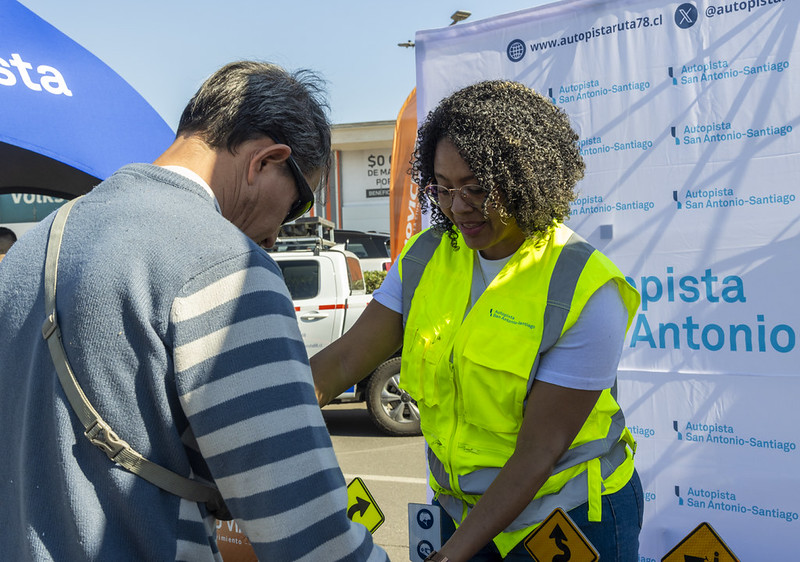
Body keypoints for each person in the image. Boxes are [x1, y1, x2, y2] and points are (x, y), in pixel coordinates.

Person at [0, 61, 387, 561]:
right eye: (296, 204)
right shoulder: (228, 264)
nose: (276, 235)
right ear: (266, 161)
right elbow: (310, 535)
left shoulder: (28, 254)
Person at [313, 80, 643, 561]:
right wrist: (259, 427)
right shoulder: (427, 257)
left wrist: (454, 553)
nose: (457, 206)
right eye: (443, 188)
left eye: (477, 188)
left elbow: (539, 451)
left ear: (527, 178)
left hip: (568, 520)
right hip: (463, 513)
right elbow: (345, 359)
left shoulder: (585, 288)